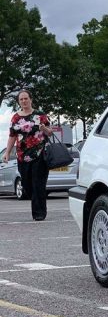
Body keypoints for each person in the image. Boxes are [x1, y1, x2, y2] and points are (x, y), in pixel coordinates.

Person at [2, 90, 53, 220]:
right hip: (22, 155)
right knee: (27, 184)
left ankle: (39, 213)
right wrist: (7, 152)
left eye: (26, 98)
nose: (24, 101)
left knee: (38, 183)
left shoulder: (40, 115)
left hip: (39, 154)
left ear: (31, 99)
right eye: (21, 99)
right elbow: (12, 136)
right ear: (19, 102)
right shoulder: (16, 118)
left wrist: (44, 129)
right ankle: (36, 202)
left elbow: (50, 133)